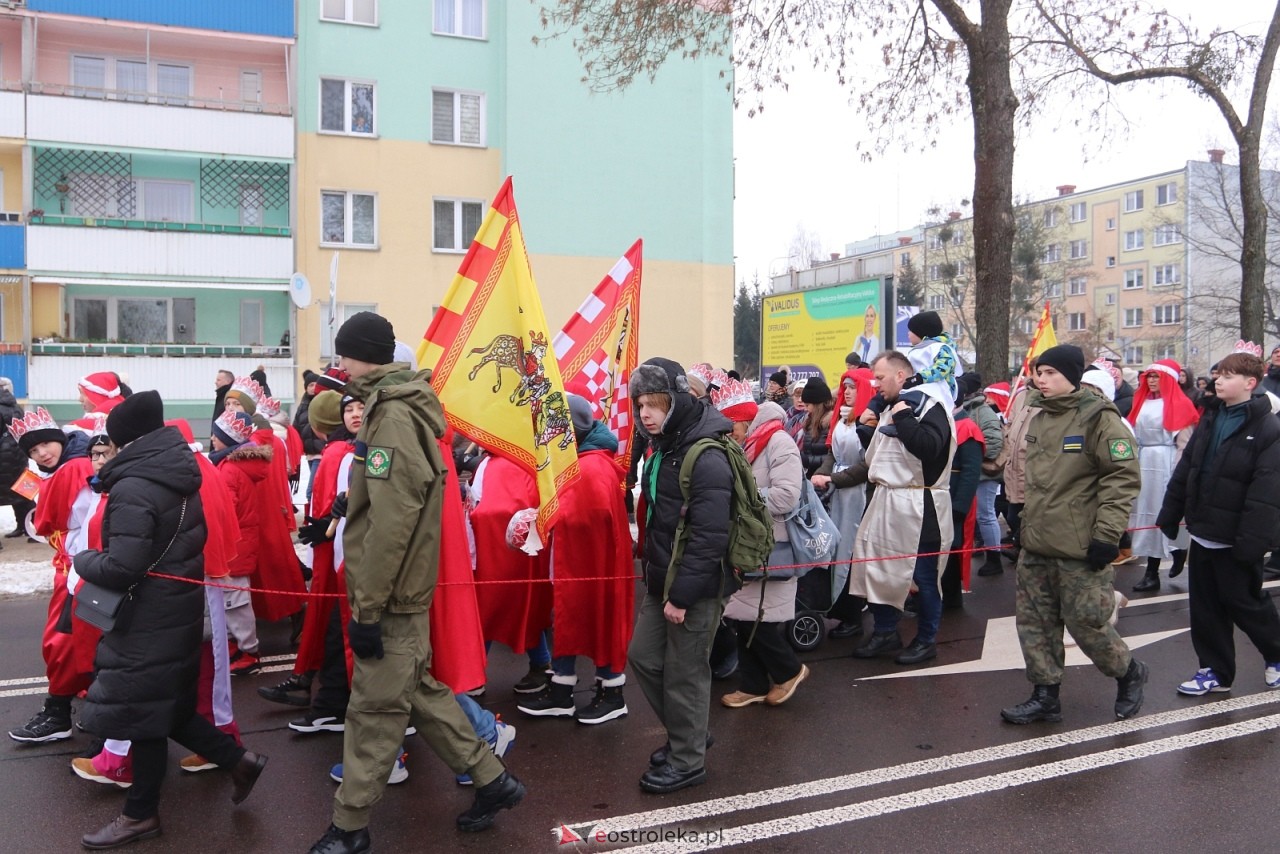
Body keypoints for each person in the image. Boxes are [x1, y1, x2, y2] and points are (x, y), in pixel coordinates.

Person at [308, 312, 523, 854]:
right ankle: (493, 781)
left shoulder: (393, 420)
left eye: (346, 354)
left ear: (366, 357)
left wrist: (369, 608)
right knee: (421, 692)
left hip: (391, 595)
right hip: (398, 592)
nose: (341, 365)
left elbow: (390, 526)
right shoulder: (391, 412)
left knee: (373, 712)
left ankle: (349, 828)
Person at [74, 391, 267, 849]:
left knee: (144, 712)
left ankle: (140, 815)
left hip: (147, 616)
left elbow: (123, 566)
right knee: (170, 707)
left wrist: (83, 559)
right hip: (176, 608)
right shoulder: (180, 473)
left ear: (125, 442)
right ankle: (238, 761)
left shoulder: (133, 486)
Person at [1000, 345, 1147, 725]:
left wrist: (1107, 536)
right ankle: (1045, 695)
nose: (1040, 379)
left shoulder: (1100, 419)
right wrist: (1020, 521)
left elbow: (1122, 480)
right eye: (1038, 372)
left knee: (1087, 623)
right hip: (1037, 542)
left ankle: (1129, 672)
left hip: (1080, 546)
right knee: (1035, 624)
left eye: (1049, 372)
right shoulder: (1040, 415)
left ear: (1071, 375)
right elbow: (1031, 478)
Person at [627, 357, 734, 795]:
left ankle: (688, 760)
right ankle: (689, 733)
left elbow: (710, 538)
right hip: (662, 579)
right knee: (644, 657)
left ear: (677, 401)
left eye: (655, 404)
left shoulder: (703, 453)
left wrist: (682, 596)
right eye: (640, 405)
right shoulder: (664, 444)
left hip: (694, 586)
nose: (645, 413)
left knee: (685, 672)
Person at [1157, 345, 1280, 696]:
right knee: (1206, 607)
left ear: (1250, 382)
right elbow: (1188, 469)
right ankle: (1214, 671)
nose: (1219, 380)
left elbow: (1267, 490)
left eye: (1228, 376)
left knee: (1245, 603)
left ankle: (1276, 656)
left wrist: (1254, 540)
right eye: (1219, 374)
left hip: (1238, 537)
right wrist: (1171, 512)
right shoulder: (1210, 417)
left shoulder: (1268, 427)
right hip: (1204, 531)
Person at [516, 394, 634, 723]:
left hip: (591, 564)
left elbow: (586, 515)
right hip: (578, 561)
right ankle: (561, 689)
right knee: (569, 618)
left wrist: (540, 519)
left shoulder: (591, 466)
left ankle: (612, 693)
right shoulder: (582, 461)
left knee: (598, 620)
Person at [848, 350, 955, 666]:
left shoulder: (930, 408)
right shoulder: (890, 407)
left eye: (879, 378)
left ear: (900, 376)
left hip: (919, 504)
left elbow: (928, 447)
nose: (875, 384)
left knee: (922, 576)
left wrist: (903, 416)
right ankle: (885, 632)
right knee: (876, 568)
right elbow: (874, 459)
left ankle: (926, 640)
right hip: (885, 501)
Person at [6, 408, 96, 743]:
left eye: (44, 444)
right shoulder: (75, 462)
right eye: (32, 451)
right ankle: (99, 704)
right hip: (81, 564)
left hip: (78, 568)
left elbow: (45, 523)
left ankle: (58, 712)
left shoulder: (72, 468)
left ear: (59, 438)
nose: (42, 453)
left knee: (61, 640)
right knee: (90, 639)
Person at [718, 392, 808, 709]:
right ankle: (753, 684)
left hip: (775, 545)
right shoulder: (751, 444)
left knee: (759, 620)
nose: (730, 435)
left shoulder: (778, 442)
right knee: (742, 616)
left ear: (745, 420)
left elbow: (786, 496)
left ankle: (790, 670)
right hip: (750, 545)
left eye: (732, 427)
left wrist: (742, 498)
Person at [814, 367, 875, 638]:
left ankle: (854, 615)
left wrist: (835, 479)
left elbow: (867, 465)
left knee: (852, 553)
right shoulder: (841, 418)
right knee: (835, 548)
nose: (847, 392)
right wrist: (821, 474)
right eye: (845, 387)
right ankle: (838, 610)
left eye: (853, 387)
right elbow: (832, 453)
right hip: (838, 492)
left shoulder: (870, 422)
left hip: (859, 494)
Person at [1127, 360, 1198, 592]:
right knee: (1145, 515)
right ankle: (1154, 566)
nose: (1151, 380)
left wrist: (1178, 473)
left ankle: (1170, 556)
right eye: (1148, 376)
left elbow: (1184, 444)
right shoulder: (1141, 402)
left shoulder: (1180, 403)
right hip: (1144, 460)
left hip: (1166, 463)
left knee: (1163, 512)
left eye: (1156, 376)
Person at [959, 372, 1004, 577]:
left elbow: (994, 443)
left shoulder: (982, 412)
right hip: (976, 472)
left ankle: (994, 558)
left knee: (986, 516)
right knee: (980, 516)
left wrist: (972, 457)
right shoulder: (971, 409)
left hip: (985, 474)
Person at [903, 310, 963, 408]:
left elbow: (943, 368)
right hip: (919, 391)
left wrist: (919, 378)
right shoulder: (916, 350)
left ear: (921, 332)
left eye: (911, 331)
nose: (908, 334)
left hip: (938, 393)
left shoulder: (939, 348)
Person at [796, 377, 834, 478]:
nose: (805, 408)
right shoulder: (809, 422)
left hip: (824, 478)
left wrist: (808, 460)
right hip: (811, 476)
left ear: (818, 405)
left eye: (808, 405)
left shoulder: (831, 424)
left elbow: (833, 457)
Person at [212, 369, 234, 435]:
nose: (215, 382)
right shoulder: (221, 396)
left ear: (228, 381)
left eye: (218, 380)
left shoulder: (229, 398)